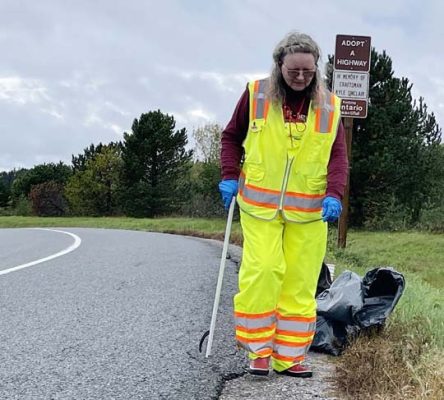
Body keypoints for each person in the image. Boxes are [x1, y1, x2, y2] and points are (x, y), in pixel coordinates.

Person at [218, 31, 348, 378]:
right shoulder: (256, 94)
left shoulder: (329, 106)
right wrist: (230, 174)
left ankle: (289, 356)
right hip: (259, 205)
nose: (301, 78)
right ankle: (258, 351)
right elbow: (231, 137)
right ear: (280, 66)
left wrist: (335, 193)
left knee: (300, 282)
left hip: (309, 211)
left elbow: (338, 156)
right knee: (263, 271)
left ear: (316, 68)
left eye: (308, 71)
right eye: (294, 71)